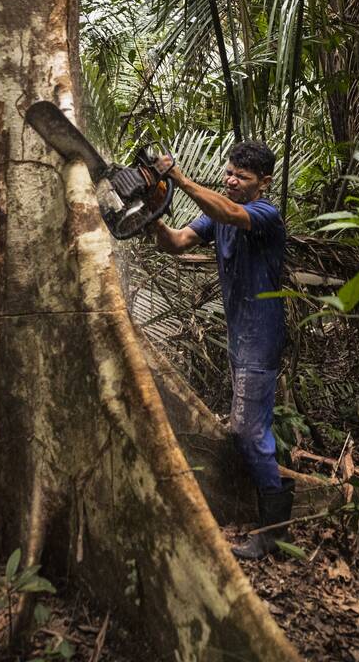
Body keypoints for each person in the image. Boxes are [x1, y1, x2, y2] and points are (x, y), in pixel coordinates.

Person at [148, 141, 294, 559]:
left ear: (264, 183)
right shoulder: (218, 214)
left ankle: (274, 533)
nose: (231, 181)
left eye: (241, 177)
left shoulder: (264, 214)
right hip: (239, 337)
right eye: (229, 173)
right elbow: (176, 242)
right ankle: (269, 515)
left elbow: (230, 213)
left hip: (260, 338)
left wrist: (178, 178)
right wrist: (154, 214)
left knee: (248, 430)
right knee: (247, 428)